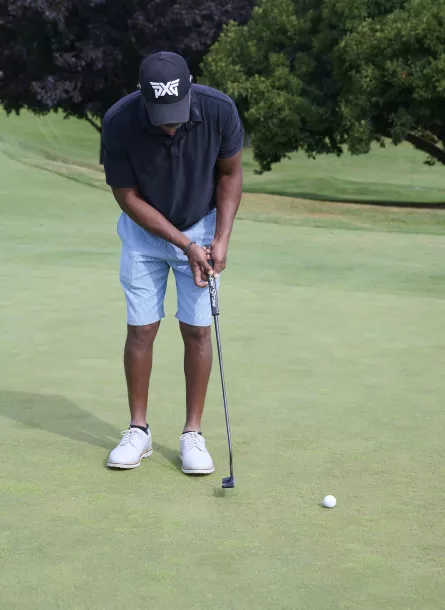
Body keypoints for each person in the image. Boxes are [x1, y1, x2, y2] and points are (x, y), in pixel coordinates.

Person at [102, 52, 243, 474]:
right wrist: (184, 245)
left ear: (190, 88)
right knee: (141, 328)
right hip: (145, 235)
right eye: (162, 115)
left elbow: (230, 174)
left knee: (198, 330)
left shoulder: (219, 110)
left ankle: (192, 435)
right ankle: (138, 432)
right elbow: (126, 196)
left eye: (177, 113)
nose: (171, 124)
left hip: (201, 227)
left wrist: (220, 238)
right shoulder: (119, 120)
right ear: (142, 98)